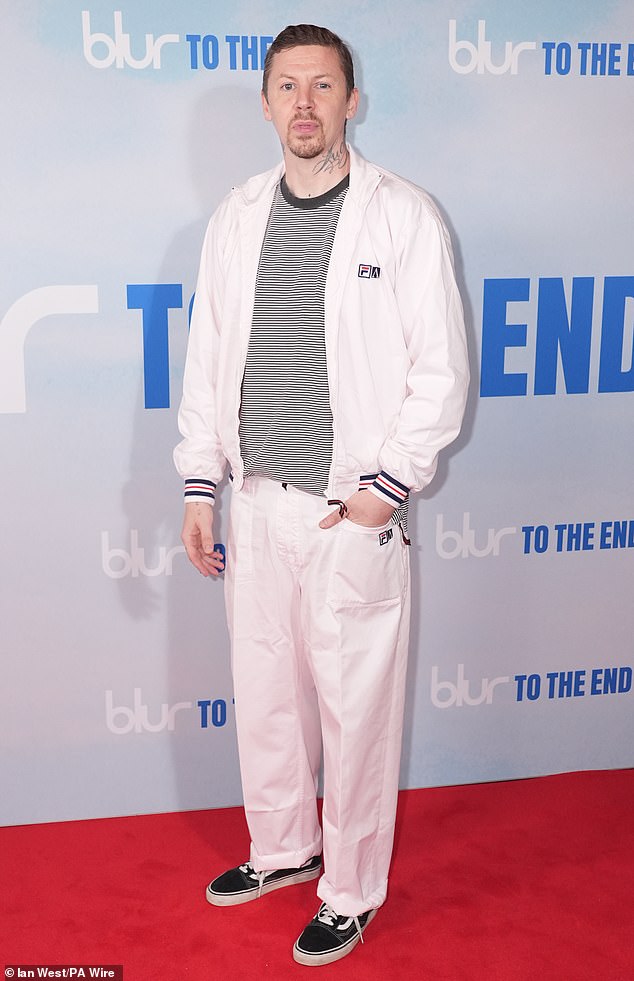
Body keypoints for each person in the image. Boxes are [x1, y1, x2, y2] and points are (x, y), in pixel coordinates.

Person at [174, 23, 469, 967]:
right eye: (287, 88)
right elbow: (208, 357)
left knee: (356, 712)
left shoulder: (403, 216)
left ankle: (351, 890)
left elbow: (442, 374)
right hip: (257, 500)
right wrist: (199, 479)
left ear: (353, 101)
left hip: (352, 512)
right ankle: (283, 850)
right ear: (265, 105)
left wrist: (387, 488)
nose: (304, 105)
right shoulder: (236, 216)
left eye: (323, 87)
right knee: (264, 696)